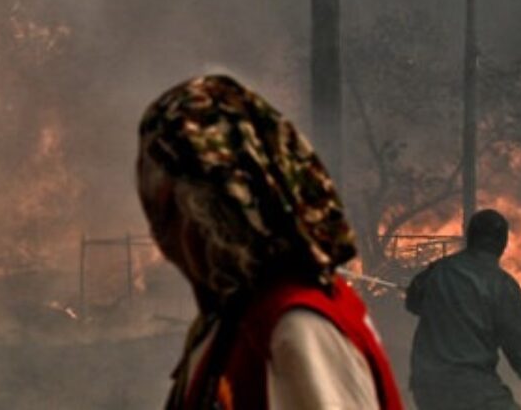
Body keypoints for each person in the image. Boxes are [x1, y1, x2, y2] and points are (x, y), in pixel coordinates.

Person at [136, 74, 403, 410]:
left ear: (206, 215)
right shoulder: (236, 316)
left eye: (164, 210)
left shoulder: (296, 330)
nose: (158, 235)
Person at [406, 208, 521, 410]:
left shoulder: (438, 271)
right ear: (503, 244)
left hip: (427, 387)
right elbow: (518, 343)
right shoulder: (502, 285)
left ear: (470, 237)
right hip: (473, 388)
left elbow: (412, 302)